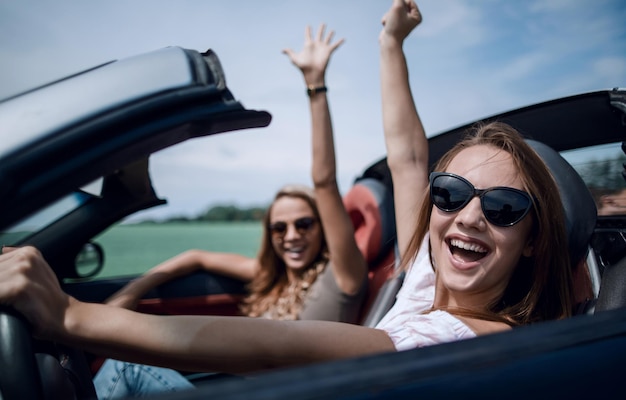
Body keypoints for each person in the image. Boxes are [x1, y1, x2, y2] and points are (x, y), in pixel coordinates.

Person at [0, 0, 574, 396]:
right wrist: (390, 42)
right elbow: (407, 158)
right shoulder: (427, 274)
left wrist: (70, 316)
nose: (469, 215)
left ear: (531, 240)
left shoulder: (465, 337)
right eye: (450, 195)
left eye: (503, 208)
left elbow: (277, 345)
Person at [89, 23, 369, 398]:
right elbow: (196, 257)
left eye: (304, 224)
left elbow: (324, 182)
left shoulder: (343, 278)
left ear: (323, 229)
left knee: (127, 365)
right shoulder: (271, 276)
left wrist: (315, 86)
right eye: (279, 228)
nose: (291, 236)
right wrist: (131, 293)